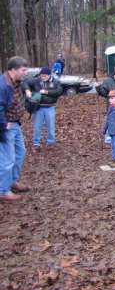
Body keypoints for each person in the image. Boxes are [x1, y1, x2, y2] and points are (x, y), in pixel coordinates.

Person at [0, 56, 30, 202]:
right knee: (7, 160)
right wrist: (4, 123)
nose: (26, 72)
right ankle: (3, 190)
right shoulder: (3, 85)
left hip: (16, 123)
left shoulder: (17, 81)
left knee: (20, 153)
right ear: (13, 70)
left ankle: (12, 181)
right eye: (23, 70)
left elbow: (27, 86)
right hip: (6, 126)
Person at [23, 66, 63, 150]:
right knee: (37, 126)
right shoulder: (36, 80)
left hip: (50, 107)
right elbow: (25, 82)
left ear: (49, 75)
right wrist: (27, 90)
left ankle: (50, 142)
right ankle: (36, 143)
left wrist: (46, 92)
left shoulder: (55, 82)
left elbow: (59, 91)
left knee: (50, 126)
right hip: (38, 108)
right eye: (42, 75)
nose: (43, 77)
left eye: (45, 76)